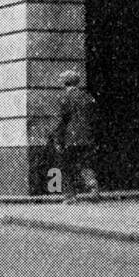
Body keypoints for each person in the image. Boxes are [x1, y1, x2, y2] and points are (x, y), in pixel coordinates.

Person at [54, 69, 100, 203]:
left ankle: (70, 196)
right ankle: (92, 186)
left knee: (67, 166)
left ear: (65, 83)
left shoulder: (64, 98)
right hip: (86, 136)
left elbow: (62, 120)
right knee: (85, 164)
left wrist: (58, 139)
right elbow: (94, 117)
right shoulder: (87, 96)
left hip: (70, 137)